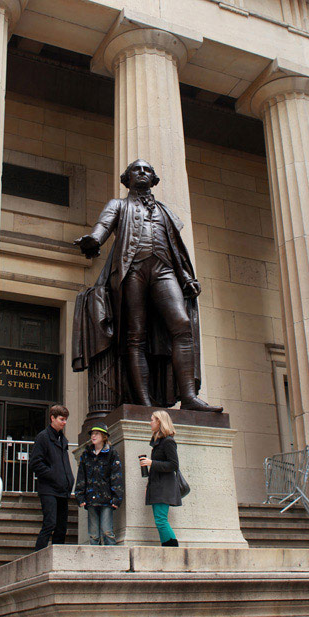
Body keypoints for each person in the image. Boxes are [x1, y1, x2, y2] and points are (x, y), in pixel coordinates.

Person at [73, 158, 222, 412]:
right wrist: (93, 240)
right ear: (127, 178)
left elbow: (175, 248)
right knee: (135, 336)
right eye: (136, 170)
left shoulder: (164, 211)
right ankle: (143, 402)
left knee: (182, 324)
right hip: (132, 270)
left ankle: (188, 396)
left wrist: (185, 276)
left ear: (153, 179)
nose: (141, 173)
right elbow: (104, 226)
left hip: (163, 269)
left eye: (147, 170)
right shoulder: (119, 205)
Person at [29, 405, 74, 551]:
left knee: (61, 527)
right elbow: (35, 463)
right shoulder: (43, 437)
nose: (64, 422)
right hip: (49, 489)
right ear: (52, 418)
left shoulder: (63, 439)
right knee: (50, 524)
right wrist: (54, 475)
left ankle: (57, 557)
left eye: (66, 419)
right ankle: (37, 556)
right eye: (61, 419)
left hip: (62, 489)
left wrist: (68, 480)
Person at [74, 422, 123, 545]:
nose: (93, 436)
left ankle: (112, 559)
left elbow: (116, 476)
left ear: (103, 436)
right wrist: (80, 496)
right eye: (92, 434)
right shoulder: (86, 455)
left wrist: (117, 498)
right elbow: (81, 476)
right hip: (91, 498)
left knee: (107, 531)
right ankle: (94, 560)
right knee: (93, 534)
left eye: (96, 434)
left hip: (106, 498)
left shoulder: (112, 453)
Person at [140, 410, 181, 547]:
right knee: (159, 520)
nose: (150, 422)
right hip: (158, 486)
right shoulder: (159, 442)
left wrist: (152, 463)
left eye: (152, 420)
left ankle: (172, 548)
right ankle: (167, 547)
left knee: (161, 520)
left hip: (164, 486)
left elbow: (174, 465)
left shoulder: (168, 441)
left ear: (159, 422)